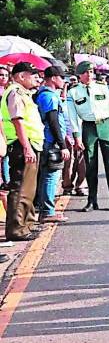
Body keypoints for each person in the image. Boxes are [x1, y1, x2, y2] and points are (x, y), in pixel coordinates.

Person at [64, 61, 109, 211]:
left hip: (105, 126)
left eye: (90, 72)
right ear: (79, 75)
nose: (88, 75)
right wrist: (76, 136)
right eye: (85, 72)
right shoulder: (74, 92)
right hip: (88, 127)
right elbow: (73, 116)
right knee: (90, 165)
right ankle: (92, 200)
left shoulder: (102, 88)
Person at [2, 62, 44, 241]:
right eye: (31, 74)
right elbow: (17, 121)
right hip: (22, 146)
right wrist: (26, 147)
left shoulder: (25, 94)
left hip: (30, 144)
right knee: (20, 188)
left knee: (28, 189)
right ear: (20, 76)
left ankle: (25, 225)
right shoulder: (15, 92)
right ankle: (16, 229)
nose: (36, 78)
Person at [33, 65, 69, 224]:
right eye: (62, 77)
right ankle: (47, 211)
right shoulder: (49, 96)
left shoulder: (46, 94)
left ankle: (45, 208)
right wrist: (62, 145)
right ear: (53, 78)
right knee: (50, 176)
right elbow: (53, 121)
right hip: (50, 141)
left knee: (47, 175)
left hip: (47, 140)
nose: (64, 81)